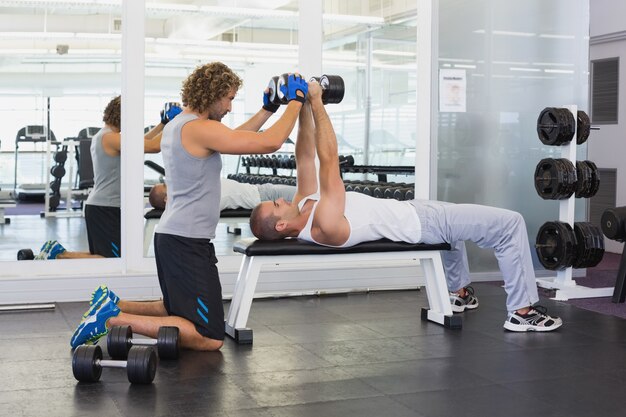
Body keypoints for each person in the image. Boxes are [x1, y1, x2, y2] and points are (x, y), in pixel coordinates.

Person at [249, 80, 562, 333]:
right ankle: (522, 311)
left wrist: (301, 102)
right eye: (275, 205)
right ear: (280, 225)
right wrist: (316, 101)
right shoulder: (323, 225)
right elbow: (328, 160)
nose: (279, 199)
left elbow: (304, 153)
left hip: (415, 211)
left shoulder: (302, 203)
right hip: (424, 224)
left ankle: (458, 293)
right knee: (510, 224)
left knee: (456, 230)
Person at [69, 62, 308, 351]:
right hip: (186, 241)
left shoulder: (181, 124)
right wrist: (296, 101)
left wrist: (268, 109)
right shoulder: (196, 129)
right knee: (209, 337)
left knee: (175, 309)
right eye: (230, 98)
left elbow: (235, 137)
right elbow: (269, 142)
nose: (230, 107)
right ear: (214, 94)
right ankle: (111, 319)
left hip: (176, 237)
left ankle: (113, 304)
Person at [34, 96, 178, 260]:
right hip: (106, 207)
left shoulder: (105, 135)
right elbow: (152, 146)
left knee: (104, 256)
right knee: (112, 260)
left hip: (102, 206)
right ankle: (59, 256)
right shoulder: (110, 138)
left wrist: (163, 123)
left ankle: (57, 253)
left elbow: (143, 141)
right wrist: (173, 123)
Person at [148, 180, 296, 211]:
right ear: (167, 198)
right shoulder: (195, 201)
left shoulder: (190, 191)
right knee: (311, 196)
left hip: (260, 190)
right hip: (265, 197)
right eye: (167, 186)